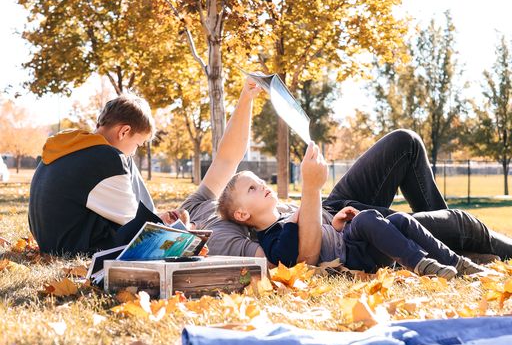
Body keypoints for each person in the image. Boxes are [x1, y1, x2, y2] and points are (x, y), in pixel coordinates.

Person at [181, 79, 512, 263]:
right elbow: (299, 259)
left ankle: (444, 241)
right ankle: (451, 240)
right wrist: (311, 190)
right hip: (342, 234)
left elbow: (226, 159)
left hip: (336, 209)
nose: (169, 215)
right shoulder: (216, 232)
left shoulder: (196, 204)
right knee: (460, 223)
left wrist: (246, 98)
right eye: (159, 221)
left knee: (404, 143)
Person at [218, 147, 484, 277]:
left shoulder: (289, 218)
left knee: (400, 219)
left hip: (349, 241)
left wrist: (334, 226)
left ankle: (457, 263)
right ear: (242, 215)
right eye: (252, 188)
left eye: (259, 181)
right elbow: (289, 259)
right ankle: (420, 264)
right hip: (351, 256)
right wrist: (293, 220)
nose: (262, 185)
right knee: (369, 218)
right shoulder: (268, 238)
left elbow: (319, 238)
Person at [29, 93, 175, 255]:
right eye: (137, 144)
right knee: (157, 242)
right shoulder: (107, 158)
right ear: (124, 131)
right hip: (73, 247)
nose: (133, 152)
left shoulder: (70, 144)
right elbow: (134, 225)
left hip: (48, 240)